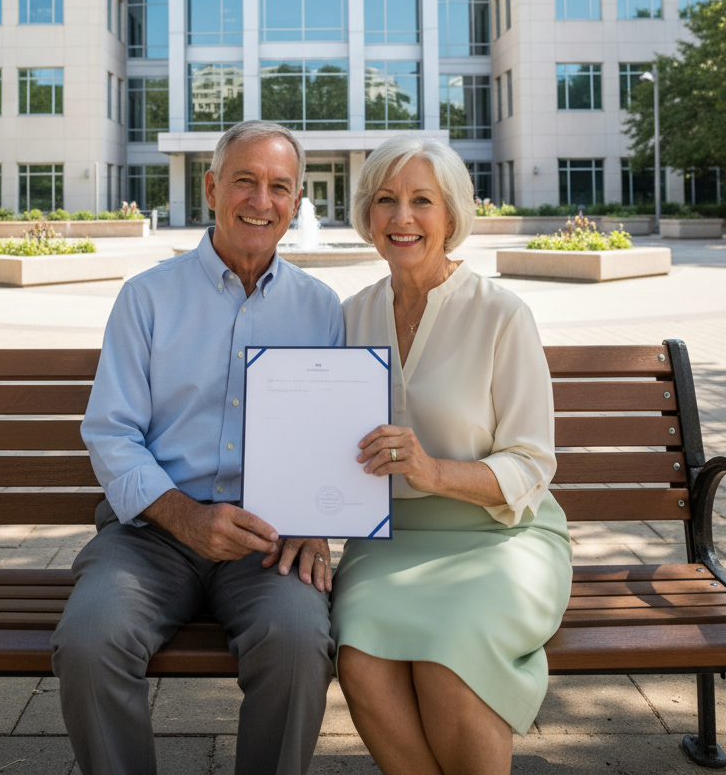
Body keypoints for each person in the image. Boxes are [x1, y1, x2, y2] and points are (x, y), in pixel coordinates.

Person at [52, 120, 344, 775]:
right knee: (91, 640)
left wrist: (318, 522)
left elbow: (332, 434)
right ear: (212, 188)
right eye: (244, 181)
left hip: (269, 539)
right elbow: (111, 430)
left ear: (297, 202)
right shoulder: (147, 298)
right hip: (152, 534)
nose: (260, 201)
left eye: (279, 187)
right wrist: (185, 516)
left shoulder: (321, 309)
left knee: (300, 643)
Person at [331, 132, 572, 775]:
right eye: (385, 200)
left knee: (449, 655)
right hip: (386, 542)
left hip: (501, 536)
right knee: (358, 656)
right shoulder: (348, 317)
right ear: (367, 216)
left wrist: (432, 470)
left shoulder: (502, 314)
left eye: (421, 201)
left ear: (452, 214)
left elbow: (531, 463)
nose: (401, 218)